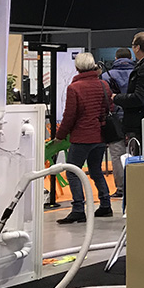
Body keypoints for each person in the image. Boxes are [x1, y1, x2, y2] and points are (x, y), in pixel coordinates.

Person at [54, 52, 115, 224]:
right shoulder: (103, 84)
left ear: (77, 67)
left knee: (73, 172)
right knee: (96, 170)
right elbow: (110, 107)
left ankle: (78, 209)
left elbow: (69, 116)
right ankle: (105, 205)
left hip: (82, 137)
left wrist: (60, 136)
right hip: (100, 136)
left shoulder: (74, 88)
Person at [101, 47, 135, 199]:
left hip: (114, 119)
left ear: (116, 58)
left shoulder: (106, 76)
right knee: (135, 153)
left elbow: (105, 100)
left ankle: (121, 188)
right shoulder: (137, 73)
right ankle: (136, 185)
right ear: (130, 58)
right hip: (134, 117)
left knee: (116, 154)